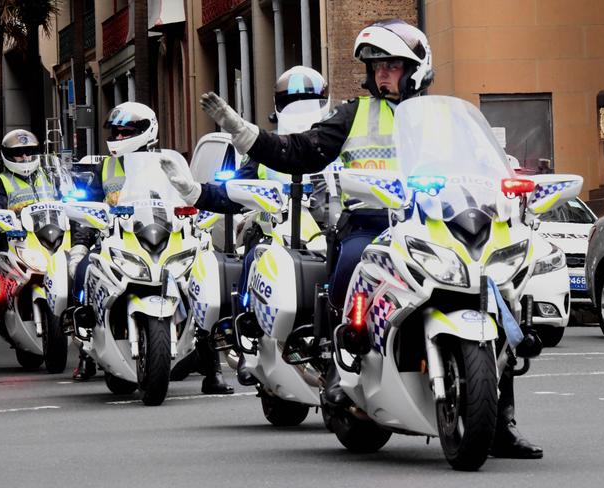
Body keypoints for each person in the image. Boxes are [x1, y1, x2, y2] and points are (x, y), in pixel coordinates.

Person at [171, 19, 543, 459]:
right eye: (377, 66)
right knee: (349, 263)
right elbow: (299, 151)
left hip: (435, 222)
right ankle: (340, 367)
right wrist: (244, 134)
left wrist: (514, 179)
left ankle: (500, 422)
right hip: (370, 223)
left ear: (416, 69)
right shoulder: (352, 115)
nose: (382, 74)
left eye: (392, 65)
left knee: (491, 294)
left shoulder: (444, 117)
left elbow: (483, 161)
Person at [162, 65, 331, 386]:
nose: (301, 105)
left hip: (324, 235)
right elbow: (233, 192)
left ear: (323, 100)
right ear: (279, 104)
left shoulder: (332, 144)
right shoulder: (268, 147)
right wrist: (196, 191)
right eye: (293, 99)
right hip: (272, 235)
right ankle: (248, 337)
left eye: (308, 98)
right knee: (254, 259)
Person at [67, 101, 234, 394]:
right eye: (116, 133)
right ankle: (85, 352)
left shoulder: (167, 164)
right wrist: (80, 244)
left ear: (147, 131)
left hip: (164, 239)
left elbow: (189, 196)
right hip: (117, 239)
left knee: (205, 283)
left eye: (126, 132)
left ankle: (213, 369)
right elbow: (87, 208)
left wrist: (198, 215)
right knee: (82, 270)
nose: (119, 138)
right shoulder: (104, 167)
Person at [0, 129, 56, 372]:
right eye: (19, 154)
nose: (24, 158)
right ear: (9, 156)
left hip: (47, 242)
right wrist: (2, 219)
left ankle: (87, 355)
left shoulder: (48, 177)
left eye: (29, 153)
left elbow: (63, 201)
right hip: (11, 245)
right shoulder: (1, 182)